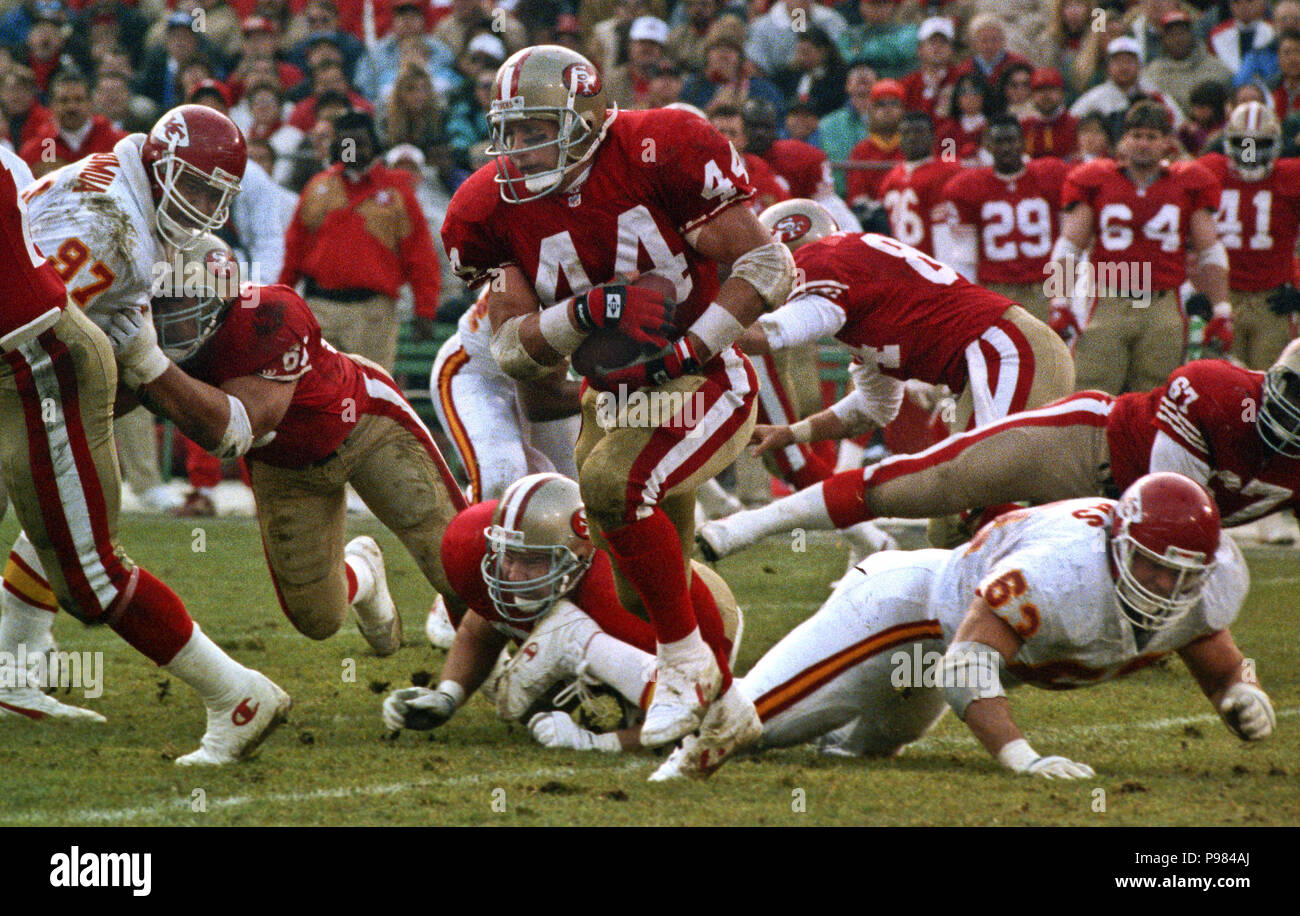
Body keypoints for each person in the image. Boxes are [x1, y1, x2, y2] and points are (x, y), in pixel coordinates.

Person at [439, 44, 793, 764]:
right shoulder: (489, 204)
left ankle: (685, 668)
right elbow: (510, 350)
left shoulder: (659, 148)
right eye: (512, 129)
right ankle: (729, 709)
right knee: (640, 591)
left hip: (705, 376)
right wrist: (586, 310)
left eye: (539, 128)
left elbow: (769, 263)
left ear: (591, 116)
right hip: (613, 392)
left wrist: (690, 348)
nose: (521, 147)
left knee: (611, 485)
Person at [0, 119, 290, 766]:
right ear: (158, 162)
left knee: (78, 549)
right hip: (29, 365)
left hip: (31, 363)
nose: (201, 207)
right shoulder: (115, 227)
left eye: (216, 195)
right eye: (191, 185)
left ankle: (234, 697)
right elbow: (41, 315)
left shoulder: (115, 193)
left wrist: (143, 353)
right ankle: (13, 674)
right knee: (83, 556)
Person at [659, 475, 1273, 780]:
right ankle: (613, 706)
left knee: (860, 756)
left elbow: (1211, 648)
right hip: (907, 610)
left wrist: (1238, 691)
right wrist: (1021, 758)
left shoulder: (1202, 581)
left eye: (1180, 576)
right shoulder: (1060, 573)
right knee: (745, 727)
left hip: (943, 640)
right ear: (1118, 545)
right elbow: (967, 662)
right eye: (1151, 567)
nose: (1164, 587)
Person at [700, 197, 1074, 557]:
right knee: (951, 526)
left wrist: (697, 332)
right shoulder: (864, 289)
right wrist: (794, 433)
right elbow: (874, 408)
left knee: (976, 499)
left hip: (1007, 352)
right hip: (1005, 356)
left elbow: (777, 332)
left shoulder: (821, 256)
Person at [694, 343, 1300, 557]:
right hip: (1083, 447)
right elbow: (1161, 507)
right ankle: (740, 531)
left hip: (1126, 515)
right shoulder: (1217, 389)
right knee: (926, 486)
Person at [381, 473, 742, 751]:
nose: (513, 574)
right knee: (529, 686)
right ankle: (576, 653)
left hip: (703, 623)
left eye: (534, 560)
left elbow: (698, 715)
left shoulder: (619, 600)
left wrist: (597, 743)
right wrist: (448, 695)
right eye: (509, 555)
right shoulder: (483, 552)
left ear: (581, 554)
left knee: (567, 648)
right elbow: (482, 628)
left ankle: (583, 654)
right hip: (595, 612)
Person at [1047, 101, 1230, 396]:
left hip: (1162, 305)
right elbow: (1069, 247)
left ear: (1168, 143)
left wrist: (1222, 309)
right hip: (1107, 301)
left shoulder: (1188, 183)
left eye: (1152, 136)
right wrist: (1059, 302)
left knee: (1156, 400)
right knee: (1090, 396)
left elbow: (1210, 250)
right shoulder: (1097, 179)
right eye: (1137, 135)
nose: (1143, 143)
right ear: (1123, 141)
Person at [280, 110, 442, 372]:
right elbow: (294, 250)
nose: (352, 150)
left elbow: (420, 254)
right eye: (346, 144)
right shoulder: (317, 188)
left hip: (374, 314)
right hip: (321, 308)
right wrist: (283, 297)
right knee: (321, 394)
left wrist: (425, 309)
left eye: (359, 143)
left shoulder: (397, 192)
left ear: (374, 146)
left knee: (371, 396)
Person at [936, 115, 1072, 323]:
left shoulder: (1052, 175)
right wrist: (969, 300)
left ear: (1022, 141)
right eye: (999, 141)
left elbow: (1068, 242)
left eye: (1011, 140)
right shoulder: (967, 187)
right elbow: (965, 256)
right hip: (996, 289)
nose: (1006, 147)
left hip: (1043, 287)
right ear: (988, 145)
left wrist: (1064, 297)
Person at [1197, 101, 1300, 372]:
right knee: (1217, 384)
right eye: (1244, 144)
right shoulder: (1209, 171)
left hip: (1271, 301)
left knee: (1268, 385)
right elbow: (1183, 237)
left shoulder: (1292, 176)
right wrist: (1194, 288)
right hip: (1221, 298)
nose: (1251, 153)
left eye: (1260, 144)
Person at [741, 96, 862, 232]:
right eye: (753, 126)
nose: (760, 133)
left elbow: (829, 207)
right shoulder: (727, 159)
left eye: (766, 127)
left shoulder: (801, 155)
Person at [877, 111, 961, 257]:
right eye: (906, 133)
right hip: (903, 262)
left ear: (933, 137)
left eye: (918, 132)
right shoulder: (891, 178)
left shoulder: (948, 170)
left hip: (939, 258)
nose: (912, 137)